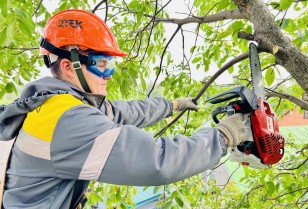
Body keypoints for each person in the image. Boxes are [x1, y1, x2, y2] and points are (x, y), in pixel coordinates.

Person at [0, 9, 248, 209]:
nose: (108, 74)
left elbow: (123, 112)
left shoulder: (55, 103)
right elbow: (157, 161)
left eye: (111, 64)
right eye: (101, 64)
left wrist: (172, 105)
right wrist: (224, 136)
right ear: (68, 66)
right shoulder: (68, 120)